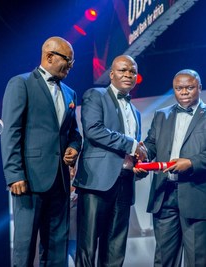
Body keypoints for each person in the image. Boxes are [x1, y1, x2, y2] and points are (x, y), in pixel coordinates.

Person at [1, 36, 82, 267]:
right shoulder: (21, 83)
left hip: (60, 181)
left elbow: (74, 133)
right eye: (68, 60)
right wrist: (14, 174)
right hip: (29, 179)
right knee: (25, 246)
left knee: (57, 246)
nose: (71, 66)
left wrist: (74, 148)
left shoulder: (70, 93)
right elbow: (11, 131)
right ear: (49, 56)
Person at [136, 69, 206, 266]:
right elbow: (151, 145)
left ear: (200, 88)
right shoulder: (162, 115)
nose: (184, 92)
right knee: (163, 260)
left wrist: (191, 162)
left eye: (189, 87)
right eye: (179, 88)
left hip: (197, 195)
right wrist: (140, 158)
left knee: (197, 261)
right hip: (164, 194)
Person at [73, 55, 147, 267]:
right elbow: (93, 130)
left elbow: (134, 150)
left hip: (124, 182)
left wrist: (139, 165)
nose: (128, 75)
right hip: (97, 181)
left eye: (132, 72)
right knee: (87, 249)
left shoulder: (136, 112)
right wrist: (132, 144)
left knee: (115, 249)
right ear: (111, 74)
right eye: (123, 70)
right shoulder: (95, 95)